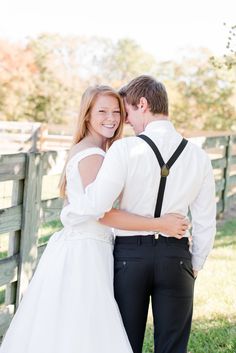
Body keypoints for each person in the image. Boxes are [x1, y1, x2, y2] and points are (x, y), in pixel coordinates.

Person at [0, 85, 188, 353]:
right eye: (102, 111)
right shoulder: (93, 155)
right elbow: (103, 213)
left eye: (116, 111)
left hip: (83, 245)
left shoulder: (92, 149)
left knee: (71, 325)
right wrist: (160, 224)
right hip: (86, 250)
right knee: (87, 328)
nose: (111, 118)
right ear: (87, 115)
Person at [61, 76, 216, 353]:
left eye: (128, 111)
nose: (126, 121)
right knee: (172, 347)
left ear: (142, 104)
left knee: (123, 345)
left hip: (129, 257)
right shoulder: (199, 156)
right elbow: (205, 220)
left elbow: (97, 204)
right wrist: (195, 264)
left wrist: (71, 212)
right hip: (176, 256)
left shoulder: (125, 149)